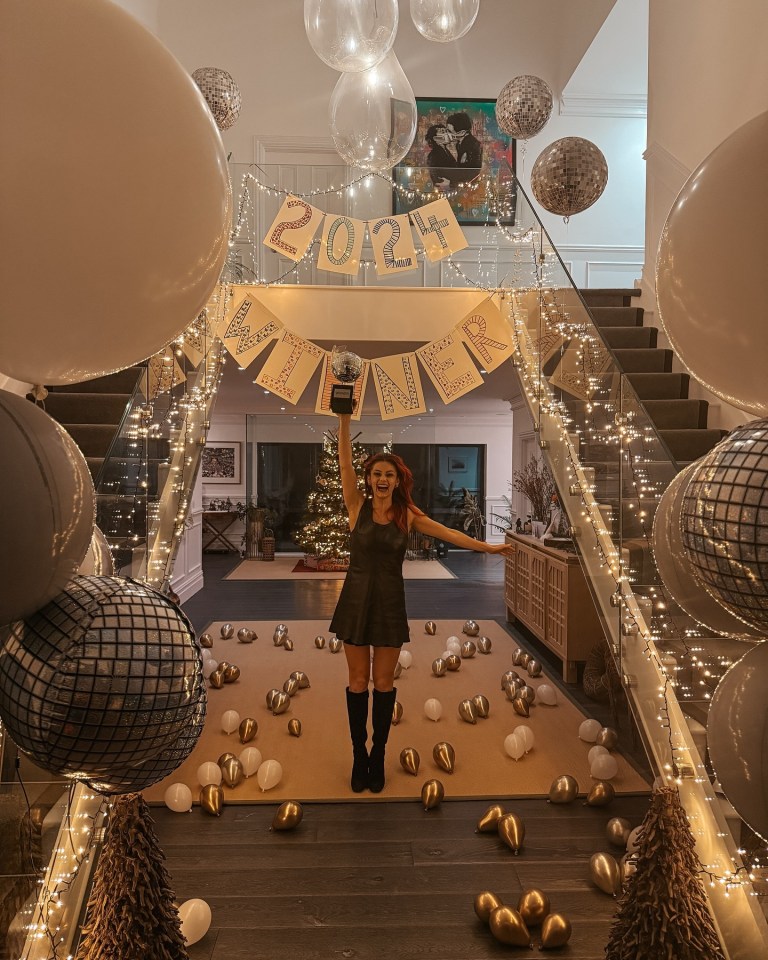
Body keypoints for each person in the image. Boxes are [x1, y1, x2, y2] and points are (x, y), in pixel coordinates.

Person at [330, 410, 513, 794]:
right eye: (377, 474)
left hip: (390, 601)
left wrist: (488, 546)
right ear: (369, 479)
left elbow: (448, 533)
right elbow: (344, 459)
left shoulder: (407, 516)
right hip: (355, 599)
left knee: (382, 683)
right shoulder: (355, 505)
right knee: (357, 681)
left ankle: (378, 753)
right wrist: (344, 420)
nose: (382, 480)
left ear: (398, 482)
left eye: (389, 475)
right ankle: (357, 753)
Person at [446, 111, 483, 185]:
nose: (448, 134)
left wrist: (451, 182)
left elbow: (471, 174)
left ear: (462, 132)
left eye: (450, 131)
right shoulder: (459, 143)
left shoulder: (473, 145)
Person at [424, 123, 456, 189]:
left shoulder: (446, 150)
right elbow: (437, 178)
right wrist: (450, 183)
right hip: (444, 190)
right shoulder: (433, 155)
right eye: (442, 132)